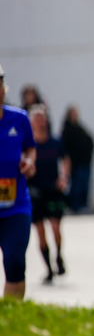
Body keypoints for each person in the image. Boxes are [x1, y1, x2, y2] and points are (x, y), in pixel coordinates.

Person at [0, 65, 36, 300]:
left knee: (14, 262)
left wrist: (29, 162)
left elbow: (30, 148)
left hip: (16, 206)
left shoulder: (19, 118)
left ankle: (10, 314)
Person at [27, 106, 69, 283]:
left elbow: (65, 159)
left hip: (53, 190)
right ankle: (48, 269)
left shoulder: (55, 142)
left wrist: (64, 177)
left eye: (42, 117)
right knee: (40, 231)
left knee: (55, 226)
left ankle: (58, 256)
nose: (40, 121)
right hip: (35, 191)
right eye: (36, 118)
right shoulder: (28, 145)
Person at [61, 105, 94, 213]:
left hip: (85, 161)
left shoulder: (80, 127)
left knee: (85, 185)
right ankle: (75, 205)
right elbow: (66, 147)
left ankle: (83, 205)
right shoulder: (67, 130)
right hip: (76, 163)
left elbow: (89, 140)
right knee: (76, 185)